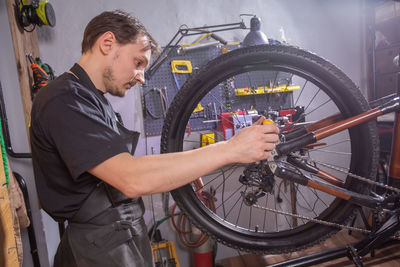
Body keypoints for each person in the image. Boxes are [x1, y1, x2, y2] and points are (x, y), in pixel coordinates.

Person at [30, 10, 279, 267]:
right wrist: (229, 149)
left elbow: (120, 168)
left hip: (115, 234)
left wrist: (189, 163)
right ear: (107, 43)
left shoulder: (91, 99)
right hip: (100, 243)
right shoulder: (65, 99)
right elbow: (130, 178)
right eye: (138, 62)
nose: (142, 77)